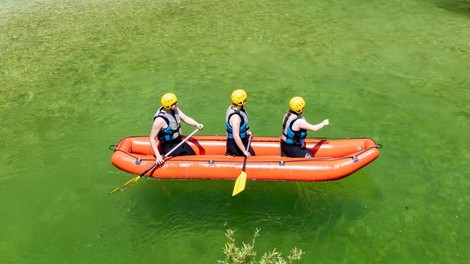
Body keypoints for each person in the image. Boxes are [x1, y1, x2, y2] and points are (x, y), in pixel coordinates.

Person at [150, 93, 204, 165]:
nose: (177, 104)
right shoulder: (159, 120)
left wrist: (196, 124)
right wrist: (158, 156)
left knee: (192, 154)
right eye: (175, 103)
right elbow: (151, 138)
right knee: (188, 158)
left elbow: (185, 118)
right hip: (168, 146)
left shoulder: (174, 109)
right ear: (168, 106)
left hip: (178, 141)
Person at [225, 89, 255, 157]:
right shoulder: (236, 117)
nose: (246, 102)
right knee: (251, 155)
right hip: (234, 144)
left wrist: (247, 132)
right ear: (241, 102)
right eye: (245, 100)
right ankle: (231, 153)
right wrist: (244, 151)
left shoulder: (232, 107)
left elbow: (241, 126)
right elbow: (236, 136)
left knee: (252, 153)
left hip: (241, 140)